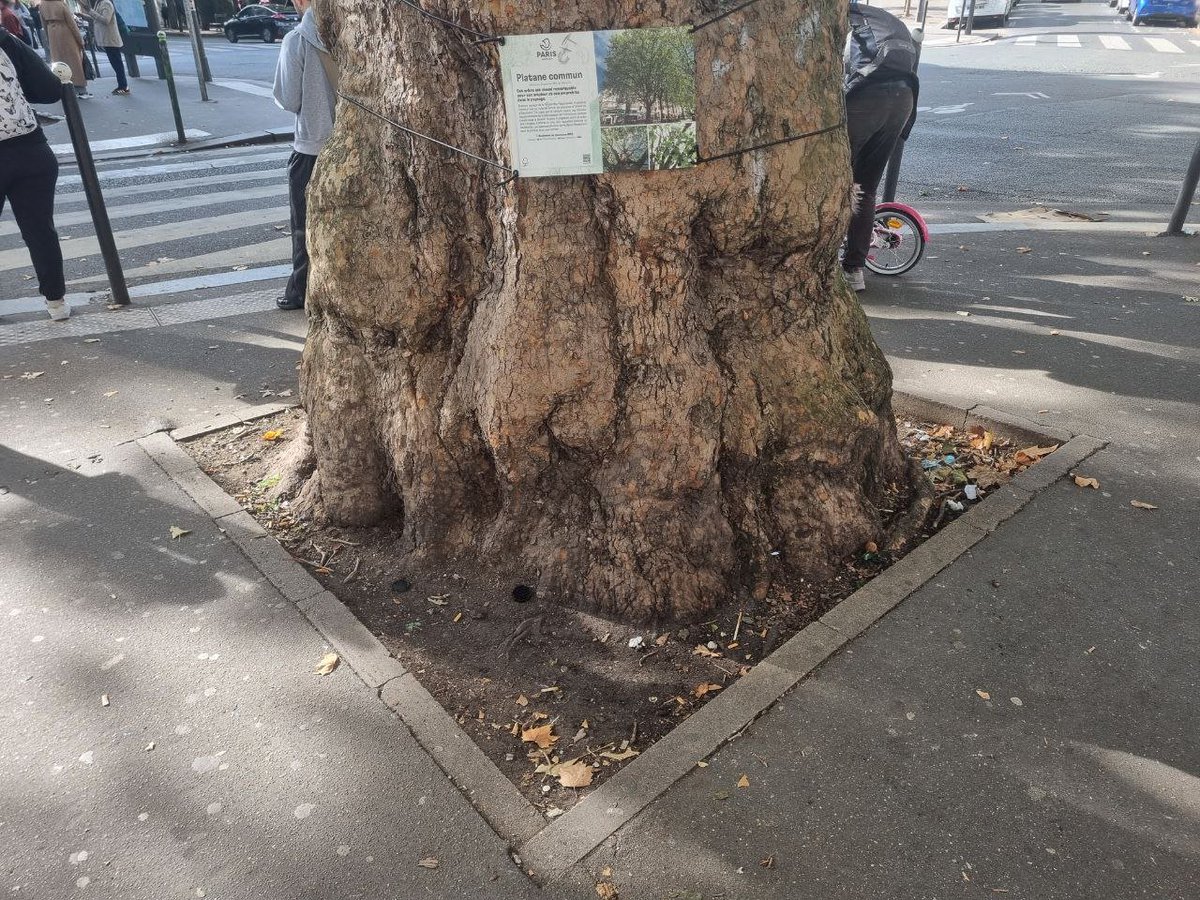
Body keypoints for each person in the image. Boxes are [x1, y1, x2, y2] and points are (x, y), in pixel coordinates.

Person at [842, 1, 919, 293]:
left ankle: (821, 258)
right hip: (904, 98)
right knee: (865, 188)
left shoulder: (846, 16)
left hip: (867, 98)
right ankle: (854, 270)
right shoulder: (880, 17)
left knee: (834, 177)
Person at [1, 27, 70, 321]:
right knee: (40, 230)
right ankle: (56, 302)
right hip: (29, 149)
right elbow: (49, 89)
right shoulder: (5, 40)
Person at [272, 0, 335, 311]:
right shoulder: (352, 32)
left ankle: (300, 288)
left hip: (312, 147)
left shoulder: (297, 39)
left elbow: (288, 98)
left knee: (304, 224)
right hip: (355, 144)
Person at [38, 0, 88, 98]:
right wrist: (80, 40)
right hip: (66, 33)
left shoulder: (42, 5)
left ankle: (65, 88)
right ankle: (80, 88)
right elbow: (72, 23)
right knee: (74, 62)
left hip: (52, 33)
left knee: (59, 62)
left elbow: (43, 23)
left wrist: (49, 38)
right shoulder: (61, 4)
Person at [81, 0, 127, 95]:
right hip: (107, 40)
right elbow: (96, 18)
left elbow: (106, 20)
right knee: (116, 64)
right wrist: (84, 15)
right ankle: (122, 86)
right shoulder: (99, 3)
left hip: (111, 39)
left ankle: (123, 87)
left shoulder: (106, 3)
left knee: (117, 65)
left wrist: (90, 11)